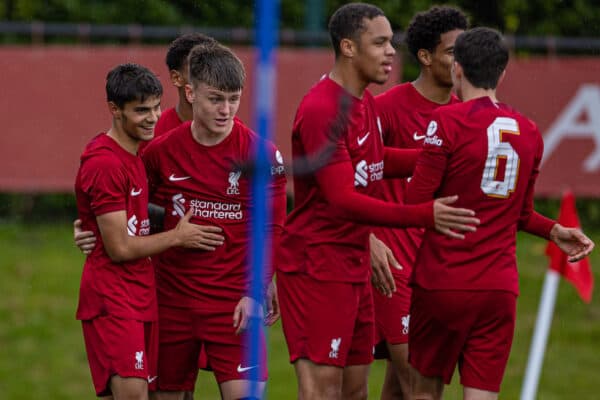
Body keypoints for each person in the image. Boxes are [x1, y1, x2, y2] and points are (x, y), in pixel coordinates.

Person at [275, 3, 481, 400]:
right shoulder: (323, 109)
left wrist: (442, 154)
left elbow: (377, 161)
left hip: (352, 264)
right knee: (322, 392)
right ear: (349, 47)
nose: (392, 51)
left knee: (355, 392)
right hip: (317, 265)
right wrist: (424, 214)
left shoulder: (362, 101)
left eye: (392, 42)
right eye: (381, 42)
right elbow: (342, 199)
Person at [404, 27, 595, 400]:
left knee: (423, 393)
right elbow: (520, 213)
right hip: (498, 288)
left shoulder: (446, 122)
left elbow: (415, 202)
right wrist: (554, 229)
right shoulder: (529, 131)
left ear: (456, 68)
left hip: (443, 282)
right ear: (503, 73)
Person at [142, 42, 286, 400]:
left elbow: (272, 230)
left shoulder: (262, 155)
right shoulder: (160, 152)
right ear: (190, 93)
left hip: (233, 304)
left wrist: (255, 292)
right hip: (171, 300)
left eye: (234, 99)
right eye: (215, 99)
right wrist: (91, 228)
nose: (226, 110)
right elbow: (131, 206)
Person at [75, 63, 219, 399]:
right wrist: (178, 237)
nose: (153, 117)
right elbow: (120, 248)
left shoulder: (136, 154)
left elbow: (128, 218)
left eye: (156, 107)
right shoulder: (105, 163)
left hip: (141, 294)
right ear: (115, 110)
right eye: (141, 111)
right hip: (113, 298)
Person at [369, 7, 467, 399]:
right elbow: (356, 180)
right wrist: (368, 239)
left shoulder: (465, 115)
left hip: (439, 273)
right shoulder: (386, 109)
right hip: (393, 268)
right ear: (425, 57)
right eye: (451, 52)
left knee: (401, 389)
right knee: (422, 388)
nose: (460, 62)